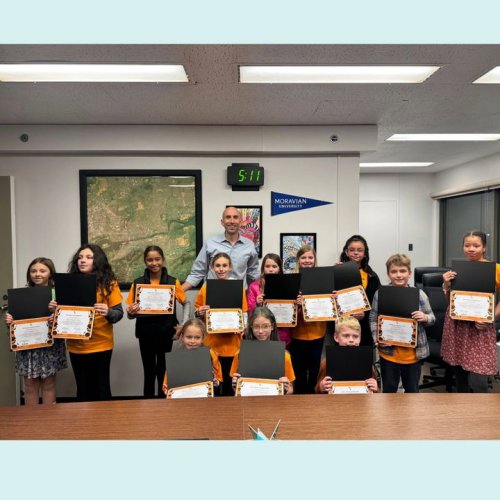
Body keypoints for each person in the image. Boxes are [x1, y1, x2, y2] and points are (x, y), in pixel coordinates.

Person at [50, 244, 123, 402]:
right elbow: (61, 315)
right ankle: (84, 426)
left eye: (89, 257)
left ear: (98, 261)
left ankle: (104, 425)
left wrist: (108, 311)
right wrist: (56, 309)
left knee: (102, 390)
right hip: (76, 346)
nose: (83, 261)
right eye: (80, 258)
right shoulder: (67, 283)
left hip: (101, 345)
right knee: (83, 391)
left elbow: (118, 314)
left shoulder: (109, 283)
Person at [126, 245, 191, 398]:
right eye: (150, 260)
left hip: (166, 333)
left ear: (163, 260)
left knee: (163, 370)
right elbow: (130, 313)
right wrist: (130, 312)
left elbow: (186, 303)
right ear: (145, 262)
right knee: (149, 371)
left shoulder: (172, 282)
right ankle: (147, 405)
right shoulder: (137, 283)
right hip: (145, 333)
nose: (154, 263)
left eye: (157, 259)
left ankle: (164, 404)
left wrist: (183, 325)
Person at [441, 230, 500, 392]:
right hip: (457, 326)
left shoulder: (495, 268)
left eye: (476, 245)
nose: (471, 249)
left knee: (479, 378)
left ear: (484, 248)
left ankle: (479, 413)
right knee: (460, 375)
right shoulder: (457, 270)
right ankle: (463, 410)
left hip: (480, 327)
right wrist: (446, 285)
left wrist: (490, 318)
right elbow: (449, 303)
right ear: (463, 247)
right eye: (467, 245)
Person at [369, 254, 434, 393]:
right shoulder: (380, 294)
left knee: (411, 391)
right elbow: (373, 318)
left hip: (413, 356)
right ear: (388, 274)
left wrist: (425, 317)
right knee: (389, 390)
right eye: (394, 271)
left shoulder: (419, 294)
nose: (398, 275)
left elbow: (432, 318)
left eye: (402, 271)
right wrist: (377, 338)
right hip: (388, 354)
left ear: (409, 273)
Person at [5, 258, 67, 405]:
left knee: (49, 383)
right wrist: (10, 323)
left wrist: (57, 315)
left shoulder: (59, 295)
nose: (37, 274)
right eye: (33, 271)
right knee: (30, 384)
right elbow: (13, 330)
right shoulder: (21, 295)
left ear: (50, 273)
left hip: (50, 346)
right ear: (29, 274)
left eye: (42, 270)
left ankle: (49, 421)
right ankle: (31, 422)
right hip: (28, 347)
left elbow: (67, 325)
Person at [194, 252, 247, 396]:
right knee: (214, 386)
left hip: (233, 345)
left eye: (224, 265)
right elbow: (197, 311)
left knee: (231, 387)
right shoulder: (206, 288)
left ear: (230, 268)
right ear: (212, 267)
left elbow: (244, 313)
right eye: (217, 265)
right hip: (212, 344)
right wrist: (200, 312)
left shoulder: (238, 287)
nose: (221, 269)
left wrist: (243, 325)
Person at [181, 206, 259, 291]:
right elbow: (197, 273)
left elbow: (253, 273)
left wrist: (270, 286)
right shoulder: (210, 243)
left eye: (235, 217)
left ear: (240, 222)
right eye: (228, 217)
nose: (232, 221)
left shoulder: (249, 245)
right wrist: (175, 294)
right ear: (222, 222)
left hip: (239, 296)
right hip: (213, 294)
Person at [288, 244, 328, 394]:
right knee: (298, 370)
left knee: (315, 370)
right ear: (298, 260)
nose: (307, 260)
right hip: (297, 333)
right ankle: (299, 402)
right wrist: (297, 305)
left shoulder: (323, 278)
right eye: (303, 257)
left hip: (318, 332)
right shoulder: (292, 280)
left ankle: (313, 401)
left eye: (310, 257)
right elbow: (286, 310)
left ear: (315, 259)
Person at [230, 307, 295, 394]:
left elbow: (291, 390)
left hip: (274, 404)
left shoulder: (284, 356)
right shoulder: (240, 354)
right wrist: (235, 385)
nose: (260, 331)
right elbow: (236, 389)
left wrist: (286, 388)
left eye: (265, 326)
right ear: (251, 327)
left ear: (272, 326)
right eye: (256, 326)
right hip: (248, 403)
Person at [315, 317, 378, 393]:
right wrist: (321, 387)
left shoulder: (366, 363)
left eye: (355, 336)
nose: (351, 340)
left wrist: (376, 388)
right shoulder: (327, 362)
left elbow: (374, 392)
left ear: (360, 338)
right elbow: (317, 389)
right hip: (335, 403)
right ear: (336, 337)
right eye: (346, 336)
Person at [337, 234, 381, 346]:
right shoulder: (337, 271)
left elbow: (376, 304)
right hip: (343, 327)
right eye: (352, 250)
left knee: (363, 360)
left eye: (360, 250)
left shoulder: (372, 276)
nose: (356, 253)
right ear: (346, 252)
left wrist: (364, 313)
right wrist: (335, 273)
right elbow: (330, 300)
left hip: (364, 328)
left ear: (365, 253)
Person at [162, 318, 222, 396]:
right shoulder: (176, 358)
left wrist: (216, 382)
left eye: (197, 337)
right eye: (189, 337)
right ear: (183, 337)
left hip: (205, 399)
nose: (193, 341)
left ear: (203, 338)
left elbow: (218, 376)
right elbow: (166, 384)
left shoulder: (210, 354)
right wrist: (167, 390)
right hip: (182, 400)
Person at [246, 253, 291, 345]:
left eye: (274, 266)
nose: (271, 269)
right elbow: (250, 312)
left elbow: (291, 310)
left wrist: (296, 304)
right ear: (263, 268)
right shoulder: (254, 286)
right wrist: (257, 304)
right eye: (267, 266)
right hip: (261, 333)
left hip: (282, 332)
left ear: (279, 268)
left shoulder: (287, 285)